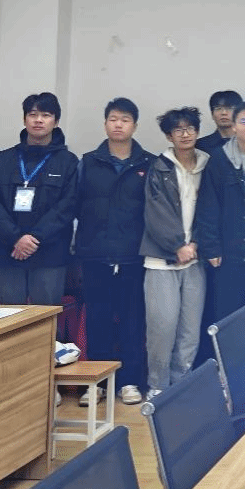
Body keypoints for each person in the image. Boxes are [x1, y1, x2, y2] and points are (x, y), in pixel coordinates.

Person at [74, 97, 155, 406]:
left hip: (134, 256)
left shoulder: (148, 164)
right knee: (98, 320)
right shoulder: (88, 162)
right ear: (105, 123)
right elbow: (75, 206)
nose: (118, 125)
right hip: (95, 254)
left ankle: (130, 381)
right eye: (113, 119)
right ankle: (97, 383)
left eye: (125, 120)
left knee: (133, 321)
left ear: (135, 125)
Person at [195, 98, 245, 356]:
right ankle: (228, 370)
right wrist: (211, 247)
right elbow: (208, 205)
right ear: (234, 125)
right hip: (229, 254)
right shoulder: (220, 160)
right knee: (228, 317)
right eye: (244, 121)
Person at [0, 92, 79, 307]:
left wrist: (34, 238)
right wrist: (16, 238)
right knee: (9, 317)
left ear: (56, 121)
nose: (38, 120)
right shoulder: (2, 159)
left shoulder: (68, 162)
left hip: (49, 254)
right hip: (8, 251)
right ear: (24, 119)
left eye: (46, 115)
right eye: (33, 114)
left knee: (44, 318)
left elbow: (68, 206)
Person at [142, 107, 209, 400]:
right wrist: (177, 246)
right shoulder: (159, 167)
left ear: (197, 131)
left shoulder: (208, 165)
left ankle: (182, 384)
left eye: (189, 128)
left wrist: (195, 245)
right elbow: (155, 212)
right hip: (162, 261)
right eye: (178, 130)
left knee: (190, 329)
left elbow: (212, 210)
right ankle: (158, 385)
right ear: (169, 136)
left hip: (195, 259)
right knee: (163, 327)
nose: (185, 134)